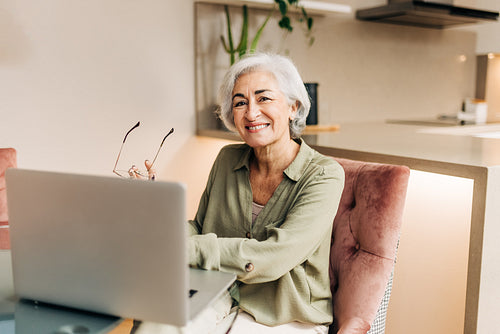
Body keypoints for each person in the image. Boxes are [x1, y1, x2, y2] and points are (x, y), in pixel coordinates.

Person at [187, 53, 345, 334]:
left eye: (264, 98)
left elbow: (274, 256)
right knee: (159, 323)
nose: (251, 113)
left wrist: (189, 249)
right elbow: (199, 227)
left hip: (287, 314)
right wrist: (159, 231)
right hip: (220, 293)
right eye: (240, 103)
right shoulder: (226, 159)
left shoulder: (324, 175)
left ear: (293, 107)